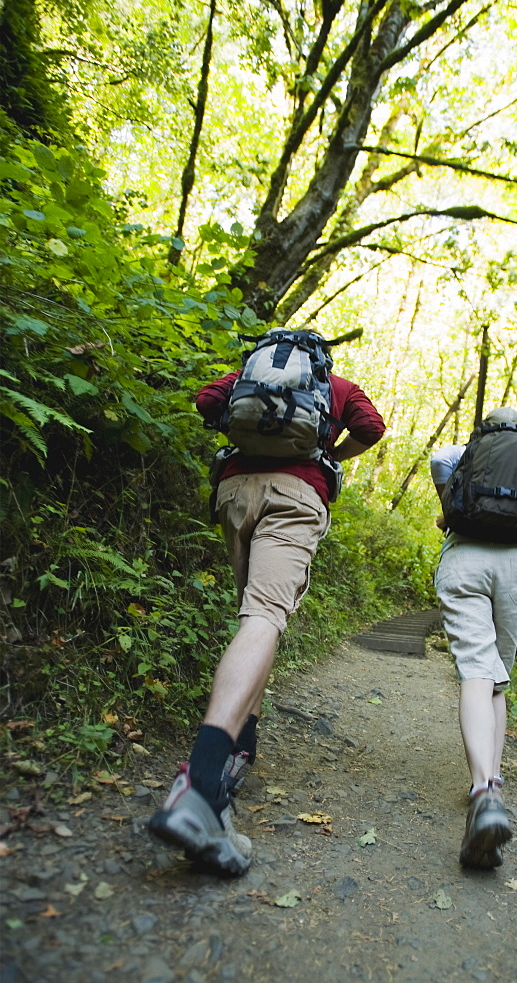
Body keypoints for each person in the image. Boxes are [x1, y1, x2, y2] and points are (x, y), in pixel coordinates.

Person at [149, 341, 386, 876]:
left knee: (252, 622)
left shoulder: (249, 374)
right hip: (296, 496)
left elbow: (207, 400)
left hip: (235, 492)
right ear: (321, 357)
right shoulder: (334, 386)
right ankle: (199, 788)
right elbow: (372, 427)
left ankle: (234, 761)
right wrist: (330, 456)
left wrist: (244, 433)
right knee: (264, 619)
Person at [430, 406, 517, 869]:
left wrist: (450, 506)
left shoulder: (464, 453)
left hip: (465, 558)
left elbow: (438, 461)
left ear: (485, 429)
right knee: (498, 677)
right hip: (515, 567)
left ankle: (481, 790)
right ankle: (493, 782)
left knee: (475, 667)